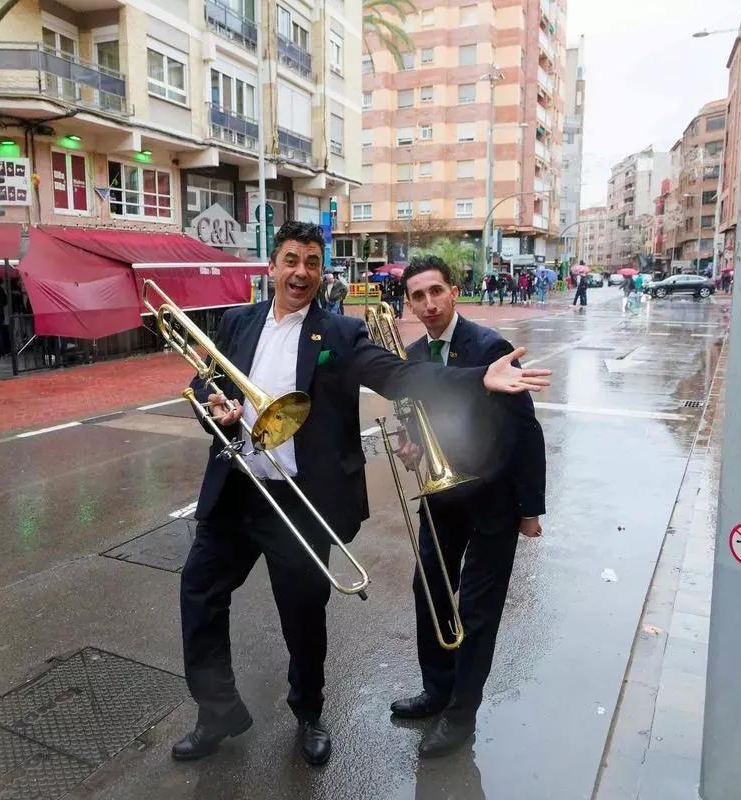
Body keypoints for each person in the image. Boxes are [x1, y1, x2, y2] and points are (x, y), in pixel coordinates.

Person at [173, 222, 552, 767]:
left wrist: (476, 380)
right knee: (199, 592)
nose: (300, 271)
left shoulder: (340, 334)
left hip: (301, 503)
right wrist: (216, 410)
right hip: (240, 487)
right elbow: (204, 382)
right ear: (271, 267)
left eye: (310, 261)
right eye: (290, 260)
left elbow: (399, 376)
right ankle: (217, 711)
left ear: (322, 270)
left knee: (302, 615)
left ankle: (308, 713)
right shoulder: (237, 322)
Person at [391, 255, 547, 758]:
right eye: (418, 296)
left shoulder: (490, 347)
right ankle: (436, 689)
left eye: (436, 291)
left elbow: (525, 427)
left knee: (478, 610)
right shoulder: (413, 355)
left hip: (493, 499)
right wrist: (411, 446)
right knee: (429, 589)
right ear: (410, 303)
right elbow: (416, 423)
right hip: (442, 494)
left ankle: (461, 713)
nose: (429, 303)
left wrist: (529, 507)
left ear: (454, 291)